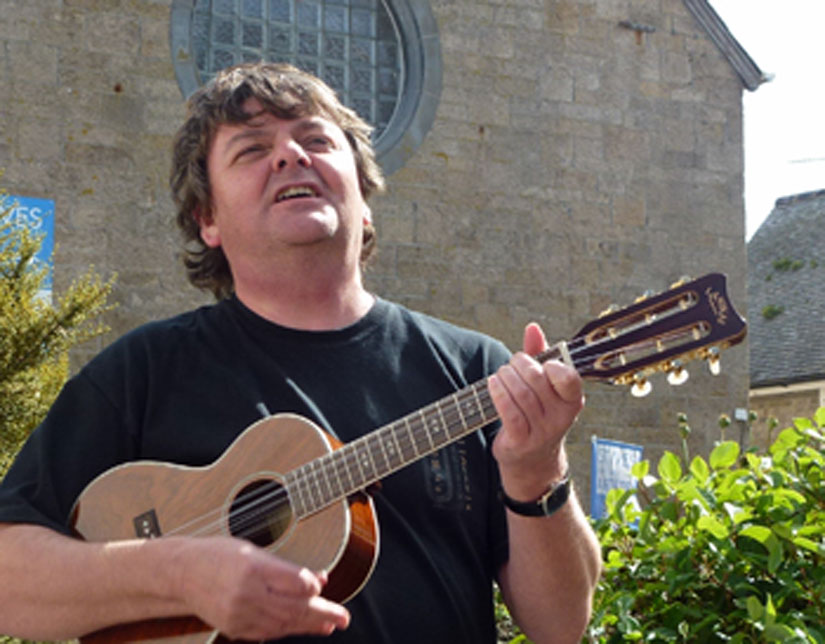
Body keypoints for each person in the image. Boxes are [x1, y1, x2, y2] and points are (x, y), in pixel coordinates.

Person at [0, 62, 601, 643]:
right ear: (207, 218)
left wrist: (536, 469)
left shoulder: (475, 371)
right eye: (253, 149)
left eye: (317, 139)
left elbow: (560, 626)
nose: (291, 154)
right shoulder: (143, 374)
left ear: (364, 200)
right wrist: (178, 574)